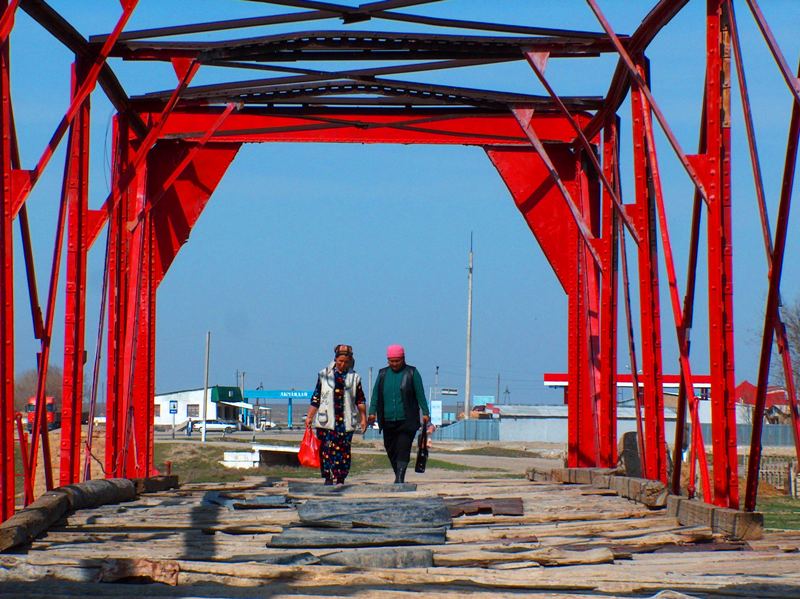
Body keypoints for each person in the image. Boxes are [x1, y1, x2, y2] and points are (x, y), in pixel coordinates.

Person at [305, 344, 368, 485]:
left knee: (343, 451)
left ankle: (340, 478)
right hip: (326, 421)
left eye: (346, 362)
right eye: (340, 361)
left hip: (345, 422)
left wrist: (363, 417)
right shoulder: (324, 375)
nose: (342, 364)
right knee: (326, 449)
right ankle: (328, 477)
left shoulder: (354, 378)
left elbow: (360, 400)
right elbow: (316, 397)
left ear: (350, 361)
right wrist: (310, 416)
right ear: (335, 359)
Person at [368, 344, 430, 483]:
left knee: (403, 447)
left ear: (403, 359)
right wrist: (372, 412)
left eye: (397, 361)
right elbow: (375, 396)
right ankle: (398, 473)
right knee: (390, 448)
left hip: (407, 419)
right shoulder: (382, 374)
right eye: (391, 361)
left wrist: (425, 412)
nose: (394, 364)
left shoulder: (412, 373)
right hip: (387, 419)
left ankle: (400, 477)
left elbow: (420, 394)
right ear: (388, 360)